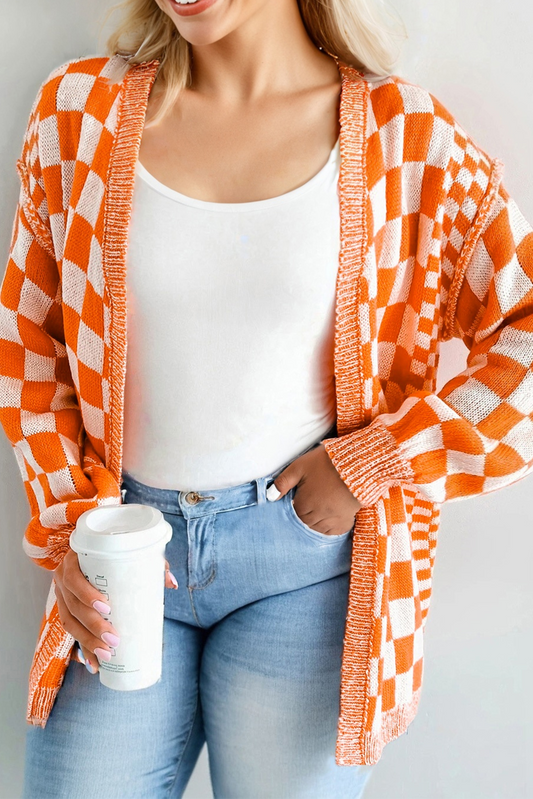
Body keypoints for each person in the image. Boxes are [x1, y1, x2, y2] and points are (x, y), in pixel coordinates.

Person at [1, 0, 532, 796]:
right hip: (125, 551)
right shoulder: (80, 113)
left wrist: (374, 462)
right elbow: (28, 344)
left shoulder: (403, 137)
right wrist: (73, 519)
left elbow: (521, 333)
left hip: (306, 570)